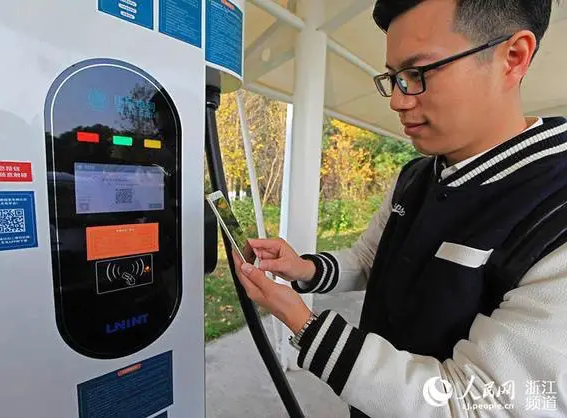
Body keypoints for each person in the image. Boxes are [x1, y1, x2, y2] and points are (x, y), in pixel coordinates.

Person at [232, 0, 567, 416]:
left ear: (512, 57)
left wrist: (305, 324)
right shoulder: (415, 176)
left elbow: (472, 405)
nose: (397, 101)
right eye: (394, 78)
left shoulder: (555, 211)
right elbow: (370, 259)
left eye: (418, 74)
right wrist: (304, 270)